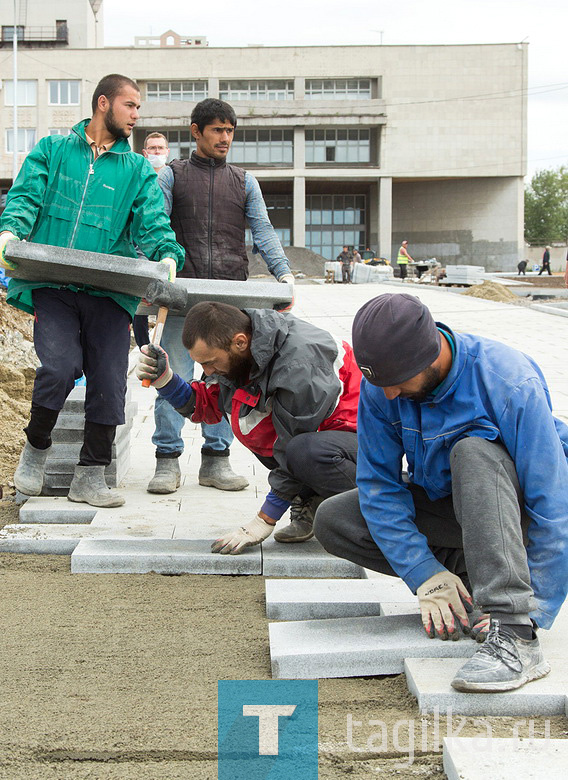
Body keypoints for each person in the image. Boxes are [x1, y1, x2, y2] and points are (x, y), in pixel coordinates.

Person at [314, 293, 568, 693]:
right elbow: (379, 486)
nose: (391, 395)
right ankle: (472, 585)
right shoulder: (384, 388)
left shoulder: (506, 379)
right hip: (458, 511)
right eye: (383, 385)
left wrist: (539, 605)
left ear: (430, 356)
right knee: (336, 518)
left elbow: (552, 501)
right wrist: (426, 574)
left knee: (474, 451)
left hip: (514, 514)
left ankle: (515, 630)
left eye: (397, 383)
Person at [0, 74, 184, 509]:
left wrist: (166, 255)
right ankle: (36, 448)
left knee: (108, 381)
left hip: (108, 290)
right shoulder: (53, 152)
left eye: (138, 107)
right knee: (59, 368)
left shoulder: (135, 169)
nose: (137, 115)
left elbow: (152, 222)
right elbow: (23, 201)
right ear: (104, 104)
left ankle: (91, 475)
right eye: (130, 105)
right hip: (53, 284)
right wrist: (9, 235)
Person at [148, 98, 295, 498]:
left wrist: (283, 275)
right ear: (196, 131)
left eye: (230, 131)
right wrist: (153, 273)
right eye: (217, 130)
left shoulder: (244, 181)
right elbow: (155, 224)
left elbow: (262, 231)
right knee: (171, 377)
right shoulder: (172, 177)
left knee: (227, 380)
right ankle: (167, 459)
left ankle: (216, 459)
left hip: (231, 301)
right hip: (180, 299)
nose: (225, 138)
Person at [137, 301, 362, 549]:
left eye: (210, 362)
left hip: (361, 445)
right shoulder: (241, 353)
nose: (206, 370)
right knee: (256, 429)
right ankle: (310, 496)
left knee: (304, 450)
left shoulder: (298, 365)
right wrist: (165, 380)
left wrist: (263, 521)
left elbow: (291, 446)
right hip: (319, 437)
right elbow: (207, 404)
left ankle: (370, 512)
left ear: (240, 342)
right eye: (201, 364)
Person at [130, 132, 173, 347]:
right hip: (141, 249)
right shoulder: (139, 179)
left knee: (165, 299)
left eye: (160, 148)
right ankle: (143, 345)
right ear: (145, 153)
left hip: (167, 248)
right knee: (141, 303)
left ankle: (162, 343)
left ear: (167, 152)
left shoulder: (173, 180)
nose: (156, 152)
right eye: (152, 149)